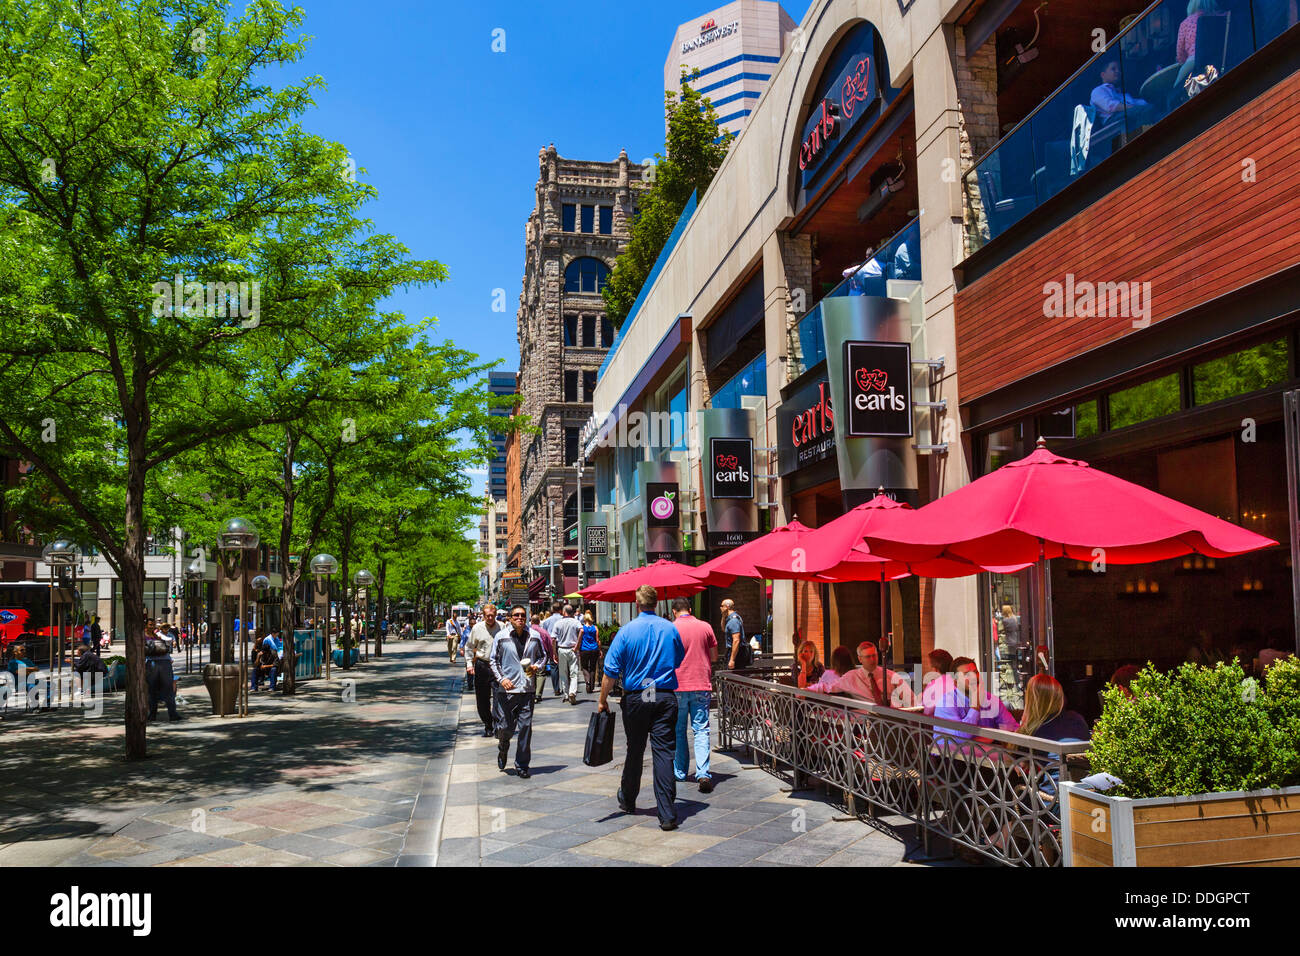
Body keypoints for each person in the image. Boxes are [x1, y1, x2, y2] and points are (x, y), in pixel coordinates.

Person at [599, 585, 686, 831]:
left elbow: (610, 672)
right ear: (656, 604)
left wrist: (602, 700)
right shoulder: (670, 628)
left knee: (635, 749)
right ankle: (667, 813)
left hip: (638, 696)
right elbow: (678, 659)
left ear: (637, 604)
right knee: (664, 752)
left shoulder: (626, 632)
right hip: (663, 695)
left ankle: (628, 799)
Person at [489, 606, 546, 778]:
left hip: (527, 689)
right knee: (505, 727)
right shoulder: (501, 637)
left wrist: (537, 666)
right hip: (507, 691)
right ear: (510, 618)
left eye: (523, 615)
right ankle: (503, 746)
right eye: (516, 615)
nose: (520, 618)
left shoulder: (534, 636)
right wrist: (502, 679)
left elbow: (543, 656)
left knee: (525, 728)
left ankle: (522, 765)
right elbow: (493, 660)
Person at [670, 597, 717, 793]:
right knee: (701, 730)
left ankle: (680, 772)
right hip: (700, 684)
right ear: (690, 609)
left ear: (674, 611)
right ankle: (703, 772)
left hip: (678, 686)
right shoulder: (705, 626)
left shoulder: (670, 628)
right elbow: (714, 656)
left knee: (679, 731)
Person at [924, 657, 1018, 741]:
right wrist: (975, 707)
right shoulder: (946, 703)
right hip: (952, 757)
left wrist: (994, 737)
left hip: (986, 755)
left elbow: (1012, 727)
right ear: (955, 682)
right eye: (967, 674)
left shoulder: (991, 699)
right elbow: (960, 738)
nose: (974, 677)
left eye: (975, 672)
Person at [465, 604, 506, 737]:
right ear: (483, 615)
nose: (490, 618)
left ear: (495, 615)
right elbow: (469, 647)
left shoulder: (502, 626)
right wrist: (469, 664)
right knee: (482, 700)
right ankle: (487, 724)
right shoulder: (477, 628)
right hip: (482, 665)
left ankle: (497, 723)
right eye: (487, 615)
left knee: (499, 697)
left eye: (492, 615)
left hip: (498, 666)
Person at [837, 640, 916, 706]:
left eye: (874, 655)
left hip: (891, 718)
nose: (872, 659)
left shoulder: (890, 676)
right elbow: (830, 687)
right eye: (868, 657)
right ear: (860, 659)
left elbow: (911, 699)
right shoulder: (852, 677)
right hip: (865, 720)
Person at [1019, 674, 1090, 741]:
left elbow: (1012, 752)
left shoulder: (1032, 732)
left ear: (1032, 699)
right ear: (1059, 696)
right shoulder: (1077, 720)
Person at [1090, 57, 1154, 125]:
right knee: (1145, 110)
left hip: (1126, 115)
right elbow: (1111, 106)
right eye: (1113, 69)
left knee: (1153, 107)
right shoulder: (1097, 91)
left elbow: (1135, 102)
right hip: (1113, 121)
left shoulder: (1119, 92)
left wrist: (1151, 101)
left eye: (1119, 69)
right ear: (1103, 75)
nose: (1118, 71)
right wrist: (1135, 107)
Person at [550, 603, 583, 704]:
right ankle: (572, 692)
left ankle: (566, 694)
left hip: (562, 649)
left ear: (563, 612)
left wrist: (554, 652)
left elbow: (553, 639)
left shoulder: (558, 623)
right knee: (574, 673)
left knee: (563, 674)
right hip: (573, 649)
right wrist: (577, 645)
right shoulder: (575, 622)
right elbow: (582, 630)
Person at [145, 632, 179, 721]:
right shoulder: (164, 637)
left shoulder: (144, 638)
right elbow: (170, 647)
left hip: (152, 663)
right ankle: (172, 714)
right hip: (165, 663)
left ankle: (152, 715)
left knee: (152, 690)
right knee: (168, 690)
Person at [1177, 0, 1222, 64]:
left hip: (1193, 61)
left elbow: (1180, 55)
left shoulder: (1186, 23)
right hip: (1220, 59)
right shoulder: (1224, 17)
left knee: (1180, 74)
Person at [530, 612, 555, 703]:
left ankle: (532, 692)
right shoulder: (544, 632)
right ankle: (538, 694)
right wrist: (552, 656)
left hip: (530, 654)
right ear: (539, 622)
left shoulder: (528, 630)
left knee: (530, 673)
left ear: (531, 621)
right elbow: (550, 644)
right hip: (542, 654)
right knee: (540, 674)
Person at [721, 600, 749, 669]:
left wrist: (732, 660)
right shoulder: (730, 619)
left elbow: (736, 640)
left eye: (722, 606)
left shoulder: (733, 620)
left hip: (737, 654)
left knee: (733, 677)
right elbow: (724, 629)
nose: (720, 608)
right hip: (735, 652)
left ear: (727, 607)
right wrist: (723, 617)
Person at [579, 611, 601, 694]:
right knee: (592, 667)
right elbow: (597, 640)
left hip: (584, 649)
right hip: (594, 649)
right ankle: (591, 686)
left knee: (584, 667)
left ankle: (587, 682)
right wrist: (600, 650)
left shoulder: (582, 628)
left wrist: (578, 649)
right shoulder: (595, 628)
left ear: (585, 619)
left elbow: (580, 639)